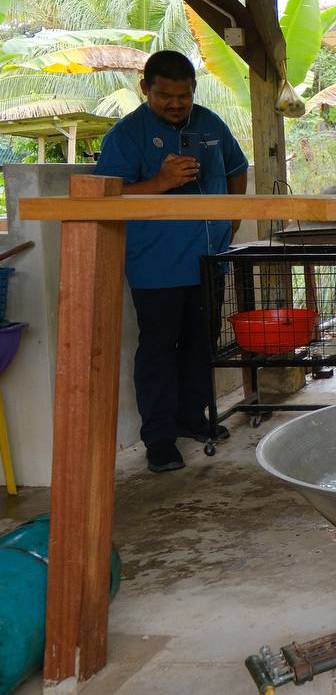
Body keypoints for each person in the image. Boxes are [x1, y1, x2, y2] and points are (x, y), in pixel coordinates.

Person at [96, 50, 249, 473]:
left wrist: (232, 216)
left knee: (202, 343)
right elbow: (106, 196)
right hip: (155, 264)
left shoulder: (211, 122)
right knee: (160, 349)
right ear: (146, 89)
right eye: (166, 95)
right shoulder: (127, 135)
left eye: (184, 94)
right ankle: (160, 439)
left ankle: (191, 417)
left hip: (208, 259)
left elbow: (238, 167)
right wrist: (161, 182)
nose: (177, 103)